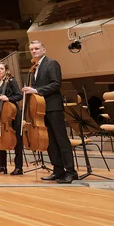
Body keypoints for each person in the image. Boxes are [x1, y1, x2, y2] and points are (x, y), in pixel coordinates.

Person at [22, 40, 78, 184]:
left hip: (53, 107)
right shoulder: (34, 68)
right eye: (32, 49)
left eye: (36, 48)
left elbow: (56, 84)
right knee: (50, 142)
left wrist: (36, 90)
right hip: (40, 109)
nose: (34, 51)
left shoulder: (51, 63)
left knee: (61, 140)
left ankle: (71, 172)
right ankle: (58, 171)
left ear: (44, 50)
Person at [0, 63, 23, 175]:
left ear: (6, 70)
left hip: (12, 113)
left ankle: (19, 167)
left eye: (1, 68)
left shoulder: (11, 81)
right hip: (0, 114)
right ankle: (2, 166)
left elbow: (19, 95)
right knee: (0, 137)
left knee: (17, 139)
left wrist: (8, 98)